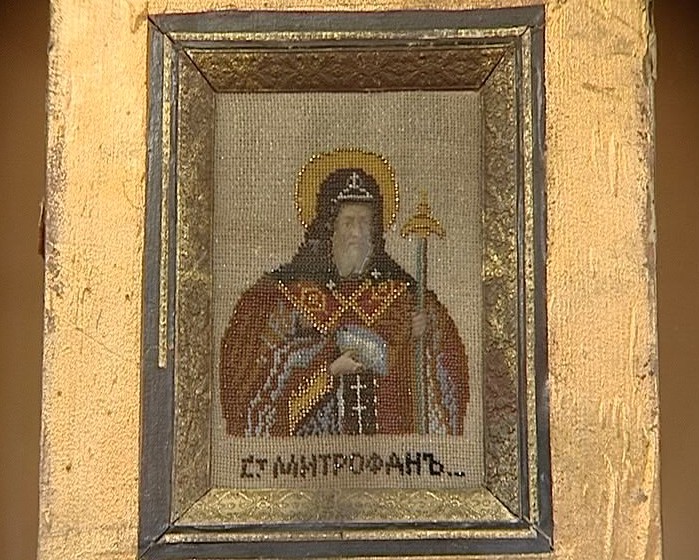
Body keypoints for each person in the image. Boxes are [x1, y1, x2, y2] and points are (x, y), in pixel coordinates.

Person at [219, 151, 468, 437]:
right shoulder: (282, 295)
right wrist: (328, 370)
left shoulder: (404, 296)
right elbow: (251, 380)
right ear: (329, 229)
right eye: (349, 222)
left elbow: (447, 373)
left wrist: (422, 338)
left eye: (365, 223)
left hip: (392, 453)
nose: (357, 233)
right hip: (307, 453)